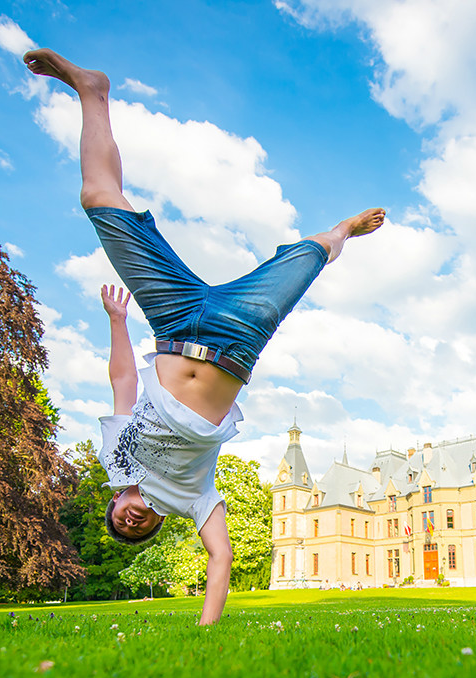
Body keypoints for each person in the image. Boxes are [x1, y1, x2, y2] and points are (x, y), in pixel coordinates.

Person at [24, 48, 384, 625]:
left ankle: (91, 92)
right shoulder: (194, 498)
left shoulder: (116, 460)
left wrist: (118, 324)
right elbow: (222, 558)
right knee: (307, 260)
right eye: (136, 532)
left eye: (120, 521)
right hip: (238, 335)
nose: (130, 524)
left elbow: (121, 382)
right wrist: (206, 628)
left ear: (116, 503)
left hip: (170, 324)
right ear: (158, 525)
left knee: (98, 200)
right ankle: (341, 230)